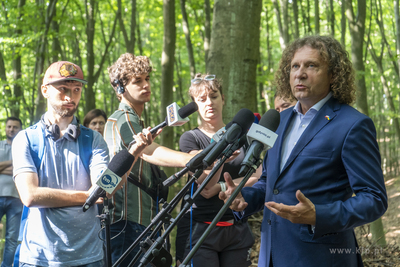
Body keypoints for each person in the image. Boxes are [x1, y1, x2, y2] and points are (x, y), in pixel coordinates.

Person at [220, 35, 388, 267]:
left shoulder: (353, 125)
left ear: (333, 75)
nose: (300, 73)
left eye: (311, 65)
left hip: (321, 258)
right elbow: (270, 183)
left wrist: (319, 215)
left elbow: (374, 198)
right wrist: (244, 198)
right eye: (295, 66)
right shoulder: (277, 120)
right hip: (271, 255)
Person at [12, 61, 152, 267]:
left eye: (76, 90)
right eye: (63, 89)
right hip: (38, 259)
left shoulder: (94, 140)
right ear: (45, 91)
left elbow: (104, 189)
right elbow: (30, 196)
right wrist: (87, 197)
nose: (70, 97)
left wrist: (133, 153)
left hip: (89, 258)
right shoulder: (26, 139)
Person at [104, 53, 196, 267]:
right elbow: (148, 152)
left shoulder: (133, 120)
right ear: (120, 88)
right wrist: (192, 159)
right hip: (127, 225)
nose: (146, 85)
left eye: (147, 79)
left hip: (138, 223)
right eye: (138, 81)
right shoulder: (124, 118)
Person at [175, 73, 261, 267]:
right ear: (195, 104)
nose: (209, 103)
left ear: (223, 99)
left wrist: (223, 186)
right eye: (202, 99)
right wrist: (222, 157)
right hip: (200, 229)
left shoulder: (244, 136)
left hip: (237, 226)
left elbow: (259, 175)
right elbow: (205, 186)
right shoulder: (190, 139)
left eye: (214, 97)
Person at [0, 117, 22, 267]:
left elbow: (25, 171)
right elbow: (18, 169)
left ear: (20, 129)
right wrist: (14, 164)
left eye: (15, 127)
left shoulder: (23, 147)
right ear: (5, 128)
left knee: (12, 238)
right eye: (9, 126)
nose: (11, 129)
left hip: (17, 198)